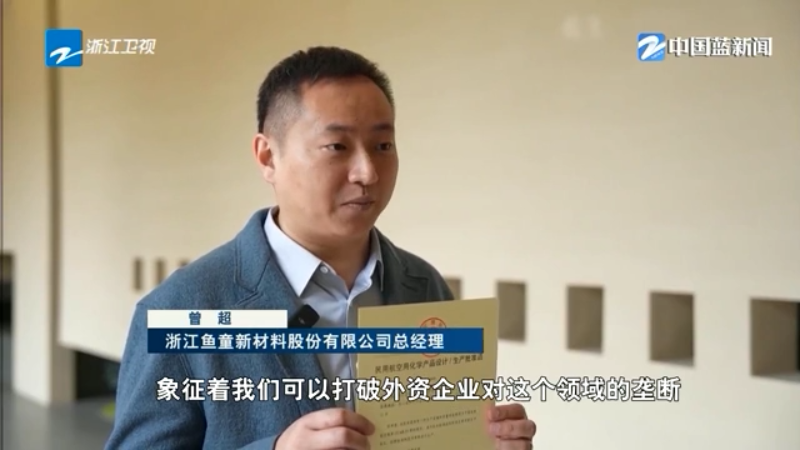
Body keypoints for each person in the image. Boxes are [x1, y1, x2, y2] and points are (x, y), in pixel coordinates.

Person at [105, 46, 537, 450]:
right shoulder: (182, 307)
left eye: (382, 146)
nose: (367, 172)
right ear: (267, 157)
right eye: (337, 147)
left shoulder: (423, 286)